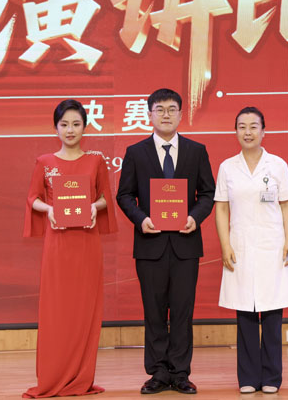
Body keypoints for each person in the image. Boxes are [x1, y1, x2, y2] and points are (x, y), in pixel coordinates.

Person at [116, 88, 215, 395]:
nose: (166, 114)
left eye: (172, 109)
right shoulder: (136, 152)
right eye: (159, 109)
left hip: (186, 244)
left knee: (183, 312)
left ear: (181, 114)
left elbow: (208, 193)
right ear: (150, 115)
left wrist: (195, 217)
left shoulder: (196, 151)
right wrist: (140, 219)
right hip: (150, 246)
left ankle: (181, 373)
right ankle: (158, 372)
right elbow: (124, 195)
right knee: (154, 311)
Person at [23, 99, 117, 398]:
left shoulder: (96, 161)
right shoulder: (44, 162)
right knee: (57, 311)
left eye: (76, 124)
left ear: (85, 127)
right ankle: (54, 376)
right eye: (64, 124)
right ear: (55, 128)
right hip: (58, 245)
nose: (70, 130)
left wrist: (93, 206)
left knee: (85, 311)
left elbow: (105, 197)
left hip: (87, 245)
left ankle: (80, 377)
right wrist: (49, 209)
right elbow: (33, 198)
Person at [213, 107, 288, 395]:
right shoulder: (227, 167)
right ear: (235, 131)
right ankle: (248, 377)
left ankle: (272, 377)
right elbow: (221, 208)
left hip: (271, 247)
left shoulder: (277, 165)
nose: (248, 132)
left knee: (273, 313)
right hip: (240, 247)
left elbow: (287, 205)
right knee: (245, 314)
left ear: (264, 131)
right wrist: (225, 244)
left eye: (253, 126)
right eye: (242, 127)